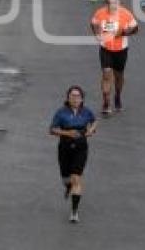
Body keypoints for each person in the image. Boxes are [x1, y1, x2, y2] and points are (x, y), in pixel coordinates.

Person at [49, 86, 97, 223]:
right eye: (72, 96)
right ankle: (68, 186)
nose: (75, 98)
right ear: (68, 98)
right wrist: (67, 133)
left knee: (76, 178)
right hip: (64, 148)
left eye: (78, 96)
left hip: (81, 148)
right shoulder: (61, 113)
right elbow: (52, 130)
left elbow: (94, 121)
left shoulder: (86, 112)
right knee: (66, 178)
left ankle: (74, 212)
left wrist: (91, 130)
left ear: (82, 98)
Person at [90, 0, 138, 115]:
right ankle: (106, 102)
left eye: (115, 3)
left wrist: (124, 32)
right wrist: (97, 34)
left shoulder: (126, 14)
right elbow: (94, 23)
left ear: (119, 3)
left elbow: (135, 28)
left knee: (119, 75)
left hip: (121, 50)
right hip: (106, 48)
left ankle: (117, 96)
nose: (113, 6)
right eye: (111, 3)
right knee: (106, 74)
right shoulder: (100, 13)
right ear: (107, 4)